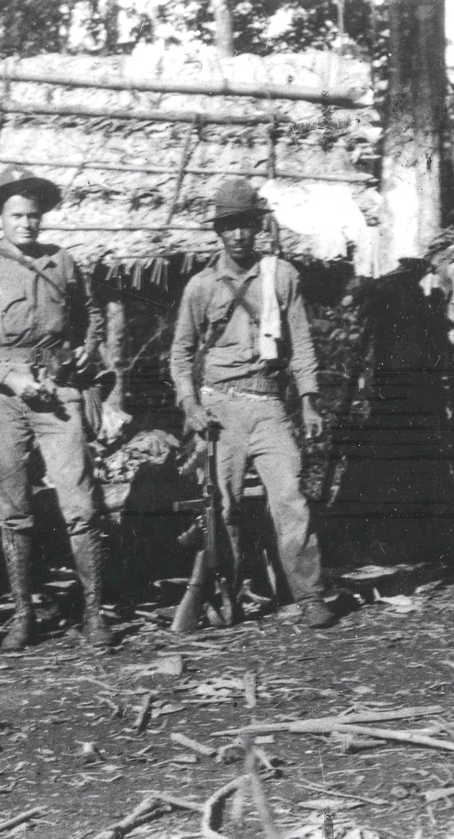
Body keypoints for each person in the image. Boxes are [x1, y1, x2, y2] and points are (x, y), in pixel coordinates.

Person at [0, 168, 114, 648]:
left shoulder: (63, 262)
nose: (27, 224)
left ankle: (95, 613)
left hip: (59, 392)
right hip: (3, 398)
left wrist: (88, 346)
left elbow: (91, 313)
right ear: (0, 218)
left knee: (80, 502)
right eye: (17, 216)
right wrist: (9, 377)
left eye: (34, 216)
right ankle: (23, 614)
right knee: (13, 508)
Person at [168, 178, 337, 629]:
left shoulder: (281, 276)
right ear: (218, 232)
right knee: (222, 509)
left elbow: (301, 342)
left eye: (245, 225)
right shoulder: (201, 287)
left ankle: (310, 595)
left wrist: (308, 399)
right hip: (219, 408)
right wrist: (190, 404)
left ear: (257, 225)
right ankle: (227, 592)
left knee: (291, 499)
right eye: (229, 227)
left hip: (268, 405)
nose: (238, 235)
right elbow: (181, 355)